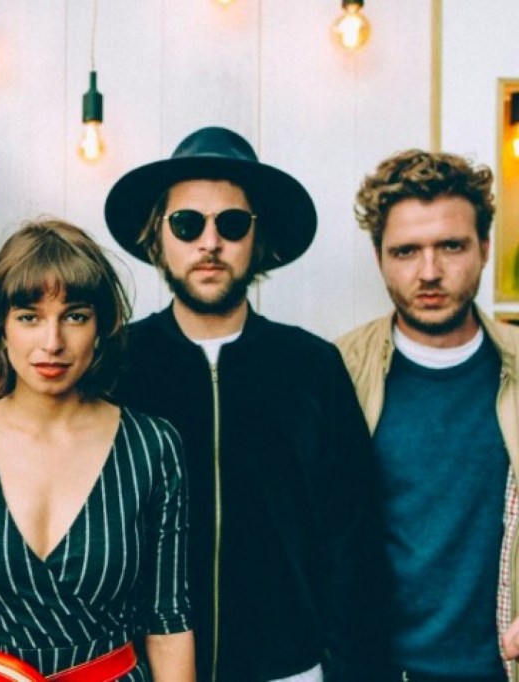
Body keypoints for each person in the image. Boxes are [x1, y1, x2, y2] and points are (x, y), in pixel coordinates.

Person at [106, 126, 380, 682]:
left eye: (231, 224)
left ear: (258, 238)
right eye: (187, 224)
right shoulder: (117, 366)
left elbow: (353, 538)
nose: (209, 243)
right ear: (158, 236)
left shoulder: (311, 366)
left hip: (289, 669)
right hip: (144, 670)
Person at [0, 219, 195, 682]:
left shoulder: (151, 446)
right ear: (1, 326)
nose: (52, 342)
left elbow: (168, 621)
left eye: (75, 316)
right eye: (29, 317)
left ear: (100, 327)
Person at [336, 149, 519, 682]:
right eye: (406, 251)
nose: (430, 272)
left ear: (485, 248)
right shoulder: (337, 373)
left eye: (451, 246)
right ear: (379, 259)